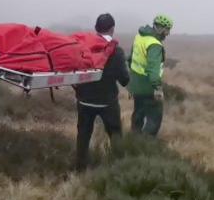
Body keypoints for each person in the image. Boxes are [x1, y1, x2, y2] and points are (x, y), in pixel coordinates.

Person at [73, 13, 130, 172]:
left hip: (84, 100)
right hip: (107, 102)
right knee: (115, 134)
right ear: (112, 29)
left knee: (83, 135)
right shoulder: (116, 51)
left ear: (96, 29)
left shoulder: (82, 46)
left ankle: (80, 169)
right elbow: (124, 79)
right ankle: (120, 168)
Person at [128, 14, 173, 136]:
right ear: (160, 28)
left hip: (136, 86)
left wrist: (132, 81)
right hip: (148, 87)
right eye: (167, 29)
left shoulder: (139, 37)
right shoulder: (154, 45)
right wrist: (158, 89)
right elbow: (154, 72)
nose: (167, 33)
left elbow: (130, 59)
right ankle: (147, 145)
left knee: (138, 114)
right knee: (154, 118)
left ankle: (133, 140)